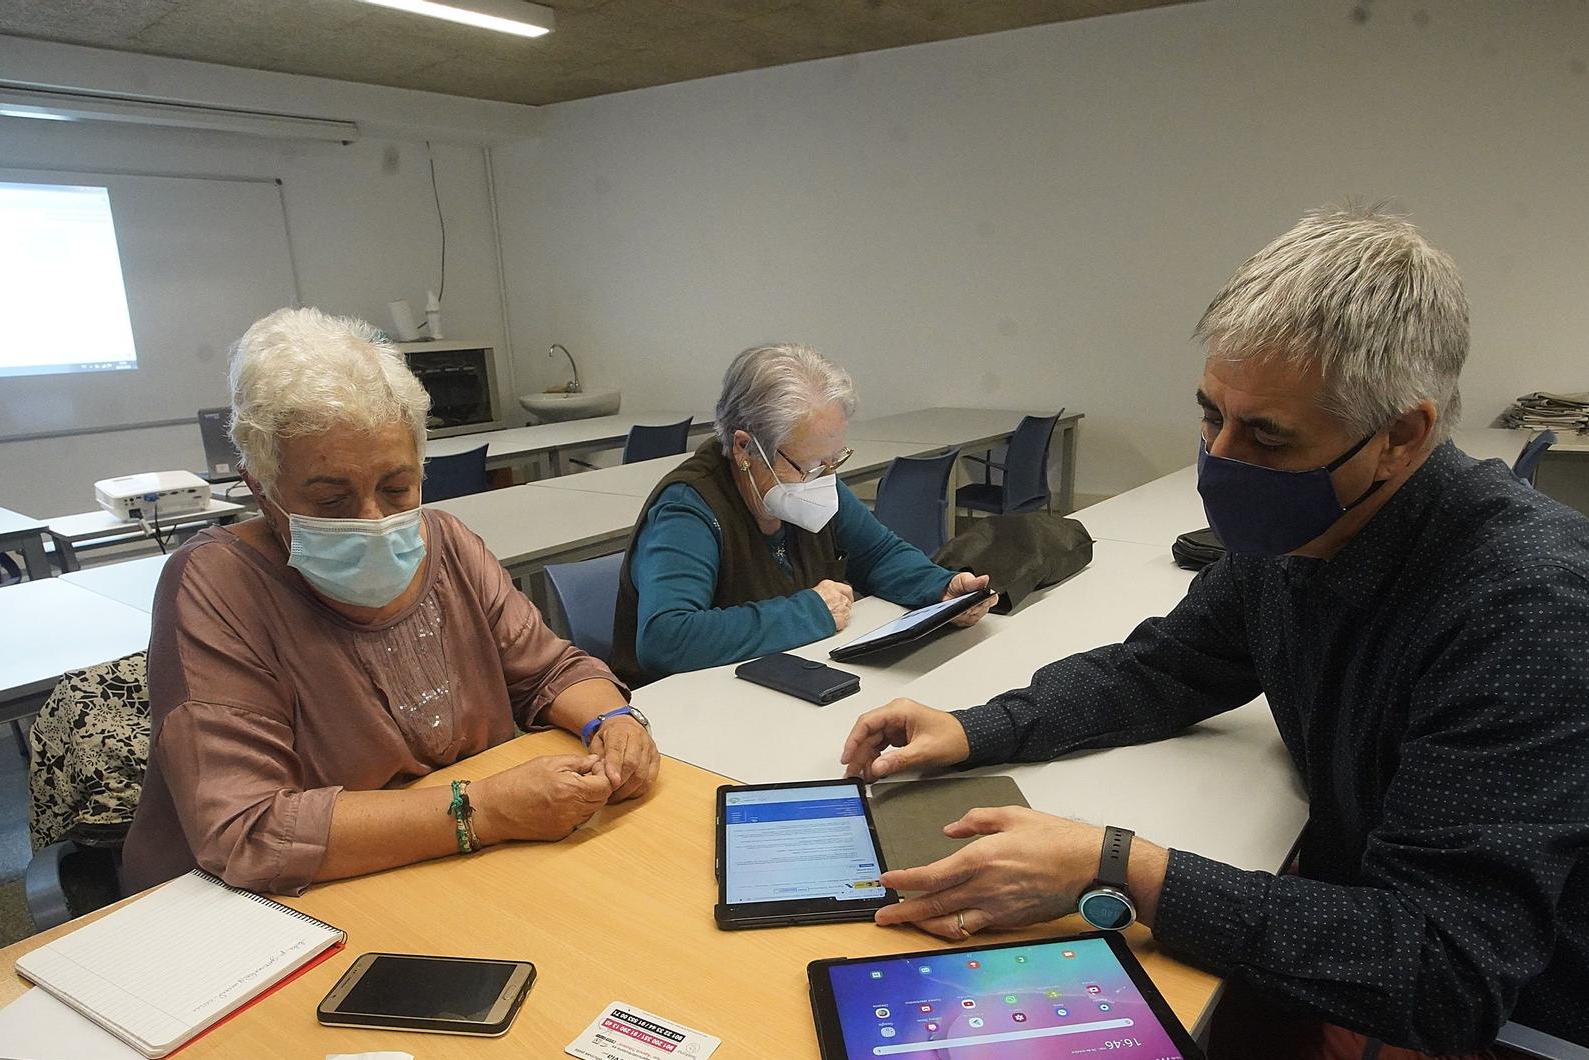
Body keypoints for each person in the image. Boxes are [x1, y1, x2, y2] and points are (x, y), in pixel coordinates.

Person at [837, 208, 1589, 1060]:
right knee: (1093, 1010)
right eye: (1208, 414)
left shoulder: (1535, 614)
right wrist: (977, 726)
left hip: (1529, 1044)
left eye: (1266, 437)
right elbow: (1170, 665)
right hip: (1407, 935)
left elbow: (1443, 968)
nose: (1220, 462)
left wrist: (1118, 865)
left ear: (1400, 433)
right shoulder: (1307, 527)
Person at [124, 307, 659, 896]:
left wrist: (613, 720)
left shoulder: (447, 544)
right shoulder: (216, 584)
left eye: (396, 487)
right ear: (261, 489)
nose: (374, 520)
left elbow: (550, 671)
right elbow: (249, 830)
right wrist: (482, 810)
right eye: (330, 500)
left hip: (456, 874)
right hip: (277, 909)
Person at [610, 343, 994, 684]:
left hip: (777, 680)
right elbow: (667, 639)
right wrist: (809, 611)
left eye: (834, 460)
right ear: (745, 448)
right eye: (810, 465)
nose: (826, 478)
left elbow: (877, 554)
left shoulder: (807, 482)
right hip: (683, 712)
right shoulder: (688, 510)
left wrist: (939, 588)